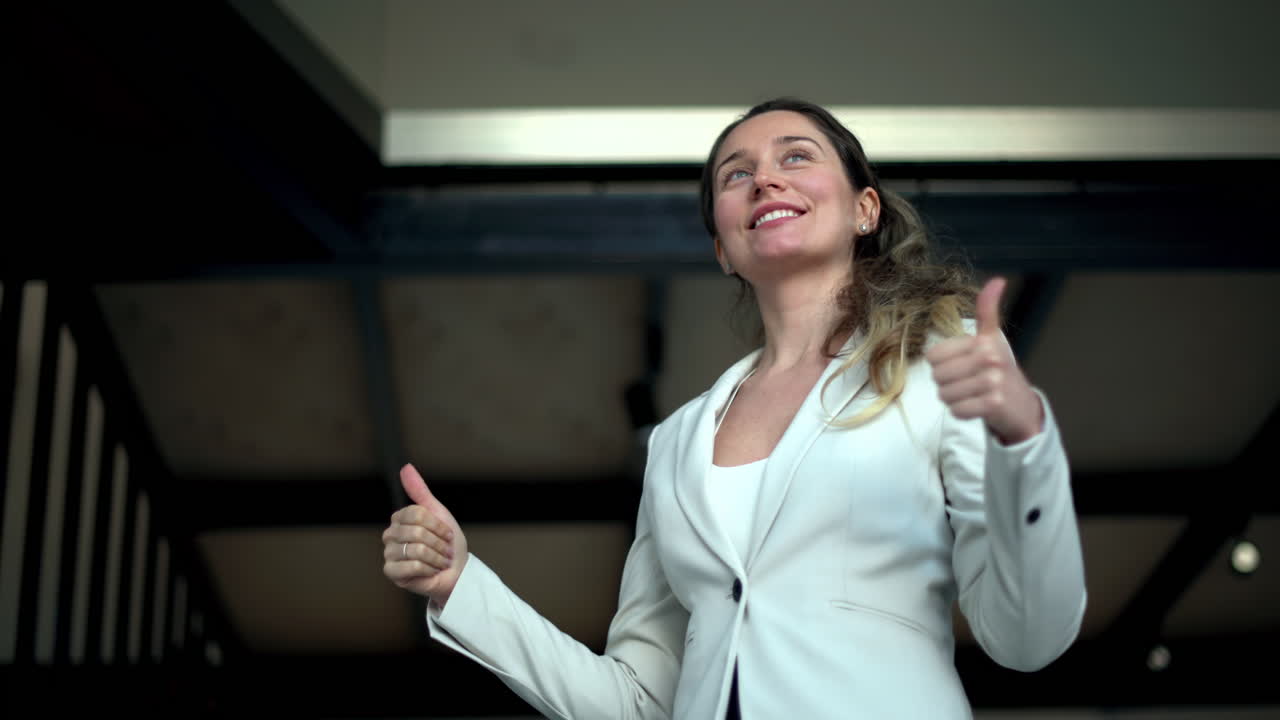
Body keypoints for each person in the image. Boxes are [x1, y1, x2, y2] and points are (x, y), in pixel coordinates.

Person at [381, 98, 1086, 720]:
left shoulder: (940, 359)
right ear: (723, 247)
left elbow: (1026, 638)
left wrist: (1024, 440)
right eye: (735, 174)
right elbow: (639, 701)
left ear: (864, 209)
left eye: (796, 157)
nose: (765, 179)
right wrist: (462, 588)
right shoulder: (677, 441)